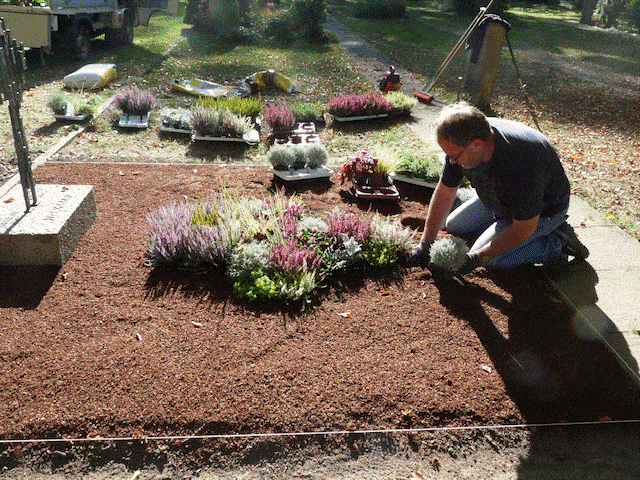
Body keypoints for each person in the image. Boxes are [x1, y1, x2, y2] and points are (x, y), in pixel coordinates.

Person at [408, 102, 589, 275]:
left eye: (455, 156)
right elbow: (445, 191)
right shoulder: (463, 139)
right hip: (499, 197)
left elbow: (524, 228)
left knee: (493, 260)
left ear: (477, 144)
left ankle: (557, 242)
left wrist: (476, 259)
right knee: (455, 225)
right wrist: (426, 243)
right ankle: (500, 226)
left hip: (542, 212)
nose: (452, 161)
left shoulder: (523, 164)